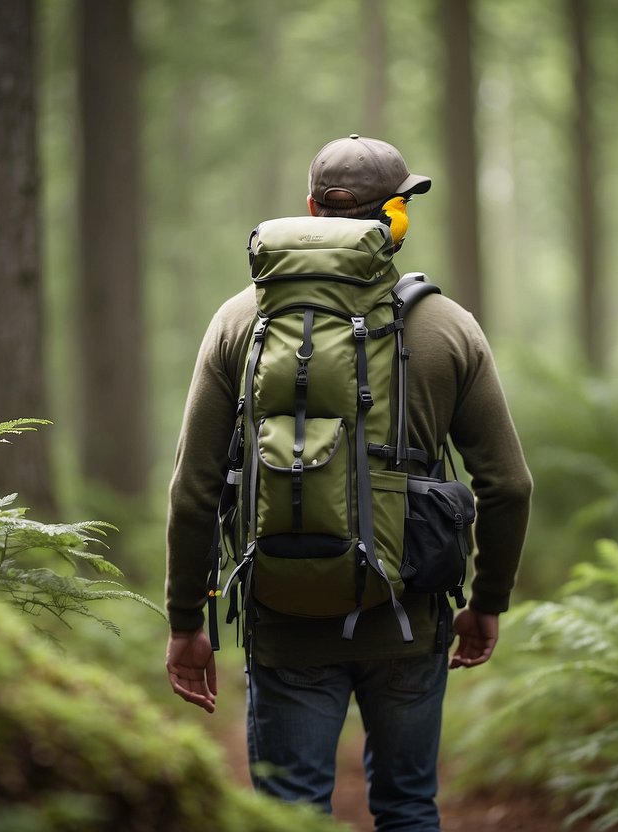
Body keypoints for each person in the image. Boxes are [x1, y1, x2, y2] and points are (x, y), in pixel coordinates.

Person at [165, 134, 532, 831]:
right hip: (408, 613)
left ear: (309, 209)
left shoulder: (239, 320)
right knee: (405, 806)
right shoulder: (446, 326)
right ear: (395, 218)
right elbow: (508, 486)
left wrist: (187, 621)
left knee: (292, 811)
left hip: (283, 613)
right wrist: (486, 603)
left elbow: (194, 488)